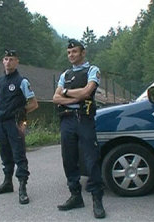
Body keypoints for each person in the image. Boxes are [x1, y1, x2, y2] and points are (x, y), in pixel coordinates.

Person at [52, 39, 105, 218]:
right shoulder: (65, 74)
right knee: (69, 158)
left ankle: (97, 198)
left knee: (91, 159)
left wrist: (66, 93)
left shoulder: (93, 70)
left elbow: (87, 92)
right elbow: (55, 98)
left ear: (83, 53)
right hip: (67, 120)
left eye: (74, 51)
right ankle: (75, 196)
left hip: (84, 119)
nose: (71, 55)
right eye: (69, 53)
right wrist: (75, 98)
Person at [0, 49, 38, 205]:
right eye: (5, 59)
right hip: (1, 122)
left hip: (15, 123)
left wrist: (22, 112)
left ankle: (22, 188)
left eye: (11, 59)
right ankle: (7, 183)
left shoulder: (22, 82)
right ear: (2, 61)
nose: (8, 62)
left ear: (17, 61)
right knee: (5, 153)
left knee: (19, 155)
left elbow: (34, 104)